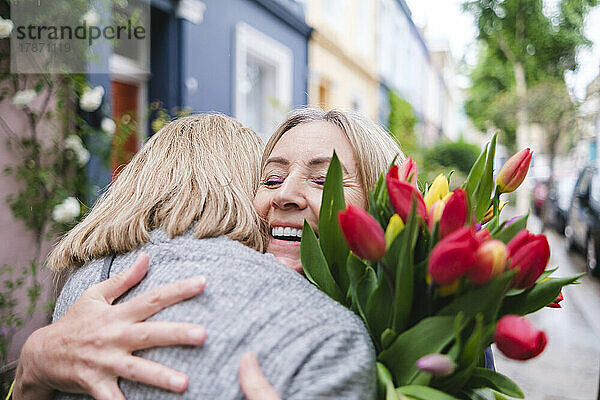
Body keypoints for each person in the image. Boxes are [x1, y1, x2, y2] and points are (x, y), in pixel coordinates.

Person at [14, 109, 404, 399]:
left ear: (387, 206)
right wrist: (33, 366)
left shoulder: (411, 331)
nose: (283, 194)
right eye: (270, 179)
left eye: (324, 180)